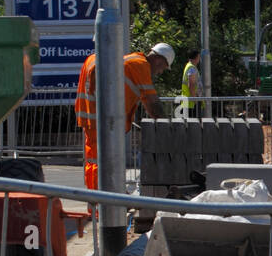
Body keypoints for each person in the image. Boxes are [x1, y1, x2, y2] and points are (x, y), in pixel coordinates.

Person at [74, 42, 175, 189]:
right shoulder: (140, 65)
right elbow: (153, 106)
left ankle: (97, 204)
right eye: (163, 68)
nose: (160, 72)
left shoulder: (129, 62)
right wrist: (168, 128)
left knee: (94, 162)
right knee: (102, 163)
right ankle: (104, 203)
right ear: (159, 60)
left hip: (92, 119)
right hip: (102, 123)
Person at [179, 48, 202, 112]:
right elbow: (191, 85)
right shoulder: (191, 68)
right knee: (193, 122)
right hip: (191, 103)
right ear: (197, 57)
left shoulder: (188, 66)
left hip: (188, 101)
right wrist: (195, 100)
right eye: (199, 57)